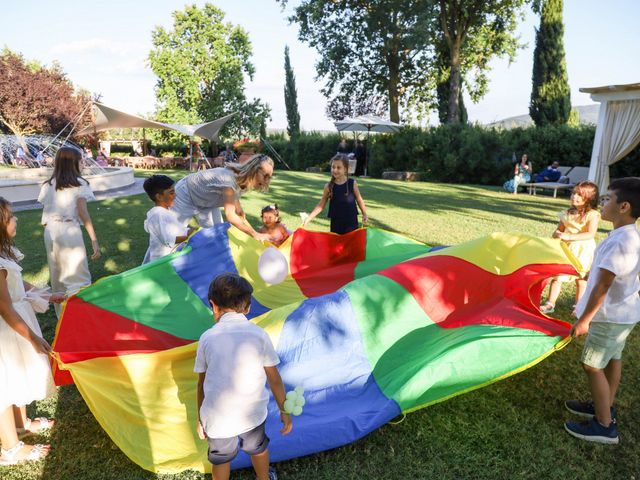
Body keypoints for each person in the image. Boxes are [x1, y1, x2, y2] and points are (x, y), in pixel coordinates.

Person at [564, 177, 640, 444]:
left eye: (608, 198)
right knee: (612, 359)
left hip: (609, 316)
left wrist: (585, 320)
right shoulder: (626, 235)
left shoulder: (622, 242)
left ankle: (605, 425)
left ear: (624, 206)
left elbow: (603, 287)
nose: (603, 202)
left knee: (591, 364)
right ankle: (605, 404)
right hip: (623, 314)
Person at [195, 273, 292, 480]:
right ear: (248, 307)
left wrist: (200, 418)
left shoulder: (206, 339)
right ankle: (264, 478)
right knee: (258, 449)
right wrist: (284, 409)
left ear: (213, 305)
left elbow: (201, 384)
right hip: (252, 415)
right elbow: (274, 379)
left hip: (217, 419)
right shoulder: (259, 335)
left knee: (220, 460)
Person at [0, 197, 65, 466]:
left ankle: (21, 423)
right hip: (7, 328)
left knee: (18, 376)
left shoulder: (4, 255)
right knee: (4, 384)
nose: (16, 220)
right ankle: (10, 449)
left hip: (16, 320)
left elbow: (17, 282)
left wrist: (45, 295)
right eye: (10, 217)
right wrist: (33, 338)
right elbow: (5, 307)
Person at [37, 147, 101, 317]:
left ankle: (63, 318)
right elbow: (83, 213)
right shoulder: (80, 184)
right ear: (73, 163)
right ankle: (80, 318)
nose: (83, 163)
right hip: (68, 231)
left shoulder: (48, 184)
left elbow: (46, 211)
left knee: (57, 276)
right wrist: (94, 240)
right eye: (80, 161)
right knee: (78, 276)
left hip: (50, 231)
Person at [171, 154, 275, 242]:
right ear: (253, 170)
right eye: (265, 176)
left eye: (269, 177)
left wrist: (238, 207)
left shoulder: (245, 180)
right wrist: (254, 234)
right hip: (186, 194)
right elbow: (230, 215)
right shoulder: (229, 179)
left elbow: (234, 193)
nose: (266, 181)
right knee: (173, 235)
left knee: (217, 235)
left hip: (207, 201)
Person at [540, 182, 600, 314]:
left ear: (590, 198)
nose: (574, 196)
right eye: (573, 193)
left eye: (579, 194)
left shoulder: (592, 214)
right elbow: (559, 230)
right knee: (558, 277)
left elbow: (590, 234)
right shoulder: (567, 213)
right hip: (566, 249)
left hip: (582, 250)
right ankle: (550, 303)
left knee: (580, 278)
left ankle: (578, 306)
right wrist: (556, 235)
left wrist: (569, 236)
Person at [302, 154, 368, 234]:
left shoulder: (352, 183)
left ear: (346, 169)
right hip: (336, 224)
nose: (335, 170)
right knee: (336, 245)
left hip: (351, 223)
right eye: (333, 167)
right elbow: (321, 205)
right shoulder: (329, 187)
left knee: (351, 245)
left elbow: (359, 199)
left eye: (338, 167)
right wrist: (309, 218)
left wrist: (364, 214)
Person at [142, 175, 192, 264]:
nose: (175, 195)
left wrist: (191, 231)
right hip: (164, 262)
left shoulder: (166, 212)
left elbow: (177, 229)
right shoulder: (158, 215)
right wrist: (190, 237)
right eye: (171, 192)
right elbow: (169, 240)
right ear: (159, 197)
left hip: (172, 259)